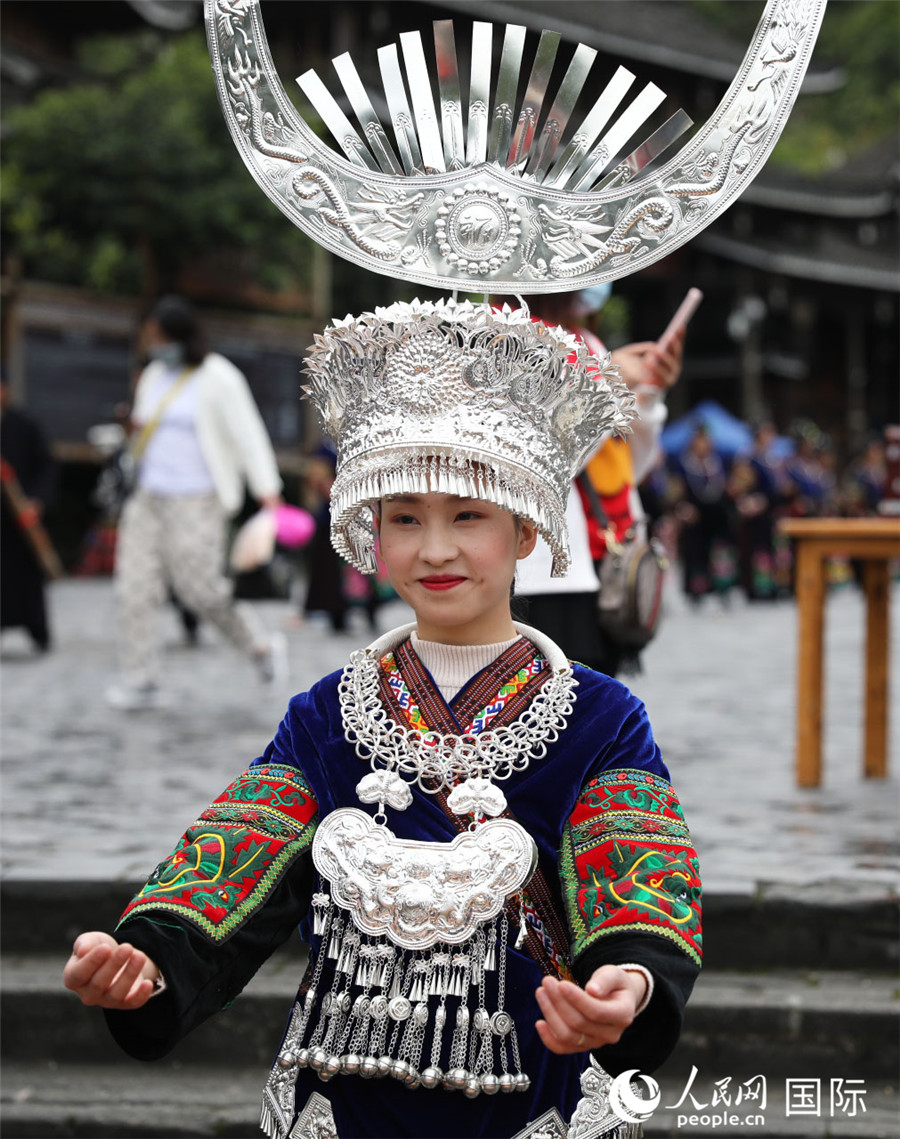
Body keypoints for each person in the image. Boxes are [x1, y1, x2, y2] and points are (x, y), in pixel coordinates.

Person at [65, 300, 702, 1139]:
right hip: (340, 1107)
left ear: (525, 530)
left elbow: (638, 865)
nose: (434, 549)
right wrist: (151, 956)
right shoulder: (329, 712)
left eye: (467, 514)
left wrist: (633, 979)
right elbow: (235, 853)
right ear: (372, 529)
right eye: (405, 517)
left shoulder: (600, 717)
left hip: (528, 1100)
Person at [105, 295, 285, 710]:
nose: (153, 345)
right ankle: (140, 678)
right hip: (148, 497)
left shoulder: (218, 377)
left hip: (198, 500)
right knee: (135, 585)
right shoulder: (153, 375)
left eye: (158, 337)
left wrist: (268, 491)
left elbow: (248, 434)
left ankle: (260, 646)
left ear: (180, 337)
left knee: (200, 590)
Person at [512, 288, 683, 675]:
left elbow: (626, 468)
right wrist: (606, 382)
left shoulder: (588, 342)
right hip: (544, 567)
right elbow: (542, 459)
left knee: (595, 700)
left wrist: (650, 394)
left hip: (603, 556)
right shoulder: (504, 340)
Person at [0, 377, 56, 651]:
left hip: (19, 519)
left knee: (25, 580)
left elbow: (45, 466)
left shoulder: (24, 426)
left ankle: (37, 631)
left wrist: (38, 501)